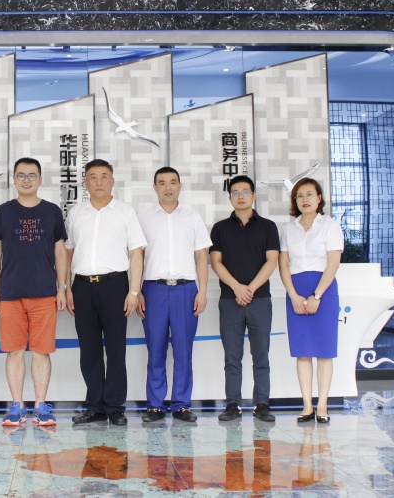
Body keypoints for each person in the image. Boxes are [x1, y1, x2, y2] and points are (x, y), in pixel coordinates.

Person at [65, 159, 147, 426]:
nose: (98, 181)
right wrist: (65, 288)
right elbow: (68, 253)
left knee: (115, 349)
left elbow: (136, 253)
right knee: (88, 350)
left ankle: (115, 406)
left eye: (104, 176)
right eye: (93, 177)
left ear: (112, 181)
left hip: (115, 286)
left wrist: (134, 291)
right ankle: (95, 406)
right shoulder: (76, 213)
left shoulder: (125, 212)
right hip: (82, 287)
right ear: (85, 182)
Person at [0, 157, 67, 427]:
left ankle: (41, 406)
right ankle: (17, 407)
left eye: (32, 175)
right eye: (21, 175)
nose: (26, 180)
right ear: (14, 179)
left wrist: (62, 288)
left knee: (41, 352)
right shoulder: (3, 212)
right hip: (10, 294)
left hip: (44, 293)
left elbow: (60, 252)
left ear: (40, 179)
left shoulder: (52, 211)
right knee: (14, 351)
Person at [137, 167, 212, 423]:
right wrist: (136, 291)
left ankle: (181, 404)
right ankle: (155, 405)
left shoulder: (193, 218)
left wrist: (202, 291)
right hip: (153, 289)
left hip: (186, 290)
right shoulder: (143, 218)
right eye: (162, 183)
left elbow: (201, 257)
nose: (167, 187)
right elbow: (137, 257)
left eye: (172, 182)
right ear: (154, 187)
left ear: (180, 186)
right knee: (155, 349)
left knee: (183, 350)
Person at [209, 175, 280, 422]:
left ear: (254, 196)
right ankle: (233, 404)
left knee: (261, 355)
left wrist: (249, 289)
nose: (240, 196)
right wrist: (237, 288)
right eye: (235, 192)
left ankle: (262, 404)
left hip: (260, 300)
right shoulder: (220, 228)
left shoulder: (268, 227)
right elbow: (216, 262)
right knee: (232, 356)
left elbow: (272, 261)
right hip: (230, 300)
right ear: (229, 198)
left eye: (245, 192)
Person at [278, 177, 343, 424]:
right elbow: (284, 265)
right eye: (299, 196)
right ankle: (307, 405)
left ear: (319, 198)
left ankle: (323, 405)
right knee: (303, 352)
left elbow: (333, 263)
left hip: (323, 290)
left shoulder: (330, 225)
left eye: (309, 195)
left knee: (324, 352)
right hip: (295, 290)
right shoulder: (288, 229)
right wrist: (294, 295)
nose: (304, 200)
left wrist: (317, 295)